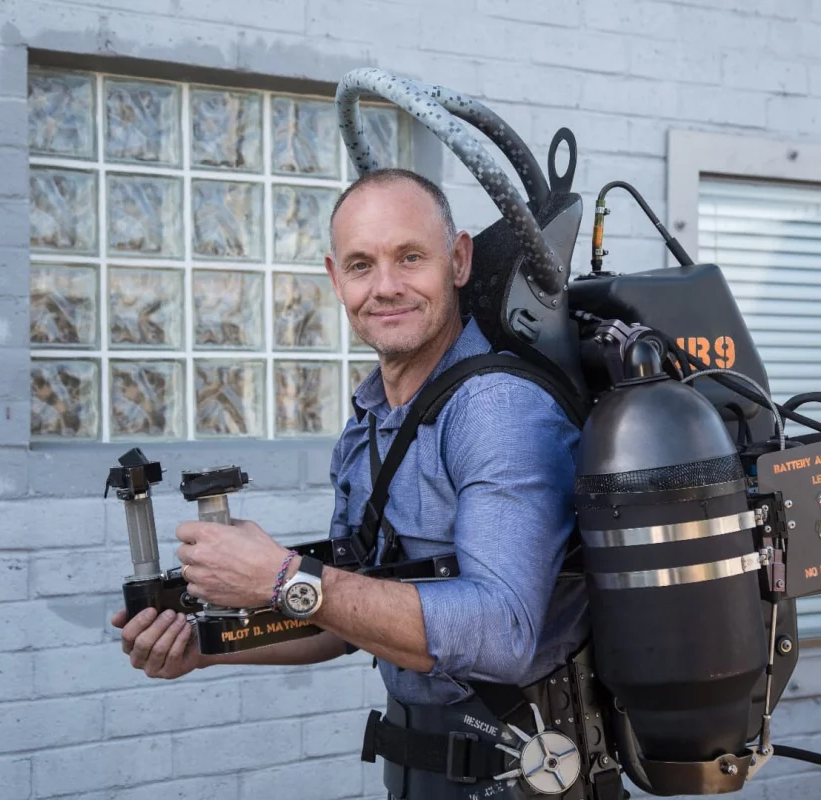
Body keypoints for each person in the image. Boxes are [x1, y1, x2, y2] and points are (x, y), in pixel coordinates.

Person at [111, 168, 588, 793]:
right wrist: (203, 644)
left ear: (459, 260)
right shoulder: (369, 421)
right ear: (336, 280)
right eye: (361, 265)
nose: (385, 287)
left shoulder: (496, 410)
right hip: (419, 771)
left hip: (528, 775)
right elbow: (347, 617)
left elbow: (503, 632)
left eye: (410, 257)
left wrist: (282, 578)